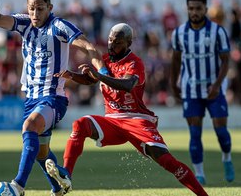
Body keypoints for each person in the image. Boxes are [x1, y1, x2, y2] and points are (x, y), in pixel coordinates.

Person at [45, 23, 209, 196]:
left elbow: (128, 85)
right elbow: (90, 80)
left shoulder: (134, 63)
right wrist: (71, 75)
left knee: (167, 161)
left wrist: (100, 75)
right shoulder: (106, 60)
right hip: (112, 120)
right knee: (80, 124)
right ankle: (66, 176)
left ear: (128, 43)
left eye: (117, 42)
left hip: (136, 119)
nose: (111, 45)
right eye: (110, 40)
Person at [0, 0, 108, 196]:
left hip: (53, 98)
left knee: (30, 126)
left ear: (50, 7)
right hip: (31, 98)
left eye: (40, 8)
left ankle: (18, 186)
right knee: (41, 153)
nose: (35, 13)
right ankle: (59, 185)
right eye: (31, 8)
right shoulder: (24, 24)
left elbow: (88, 47)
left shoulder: (59, 26)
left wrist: (103, 74)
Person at [170, 0, 235, 185]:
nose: (194, 12)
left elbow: (226, 62)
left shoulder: (218, 31)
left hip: (214, 90)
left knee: (221, 132)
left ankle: (227, 158)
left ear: (206, 9)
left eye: (198, 8)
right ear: (187, 9)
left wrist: (216, 86)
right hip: (191, 90)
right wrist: (174, 83)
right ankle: (199, 174)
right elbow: (175, 60)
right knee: (195, 134)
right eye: (191, 8)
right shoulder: (179, 33)